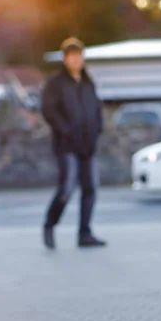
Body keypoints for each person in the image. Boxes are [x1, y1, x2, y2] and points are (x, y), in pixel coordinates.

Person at [41, 37, 106, 249]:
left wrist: (97, 129)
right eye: (72, 56)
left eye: (79, 56)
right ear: (64, 58)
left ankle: (84, 233)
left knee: (90, 188)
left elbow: (96, 109)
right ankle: (50, 225)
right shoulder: (55, 83)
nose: (77, 60)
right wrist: (66, 131)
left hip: (88, 144)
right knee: (67, 188)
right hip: (66, 145)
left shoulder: (88, 82)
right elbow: (49, 110)